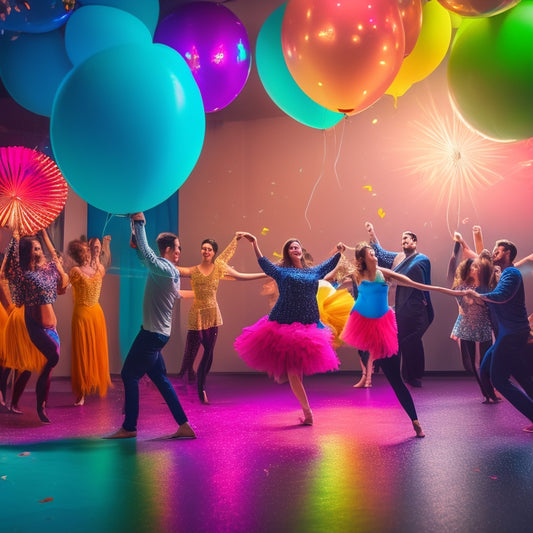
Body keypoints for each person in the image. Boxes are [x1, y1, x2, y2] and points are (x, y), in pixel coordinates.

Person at [340, 242, 463, 438]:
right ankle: (368, 373)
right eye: (371, 253)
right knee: (371, 359)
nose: (376, 255)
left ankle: (415, 421)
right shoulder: (356, 275)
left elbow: (415, 284)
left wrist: (451, 292)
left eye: (374, 252)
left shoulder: (384, 273)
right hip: (363, 325)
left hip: (383, 329)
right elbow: (335, 280)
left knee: (395, 379)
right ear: (363, 258)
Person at [234, 233, 343, 426]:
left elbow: (328, 265)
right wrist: (255, 244)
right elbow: (264, 264)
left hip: (308, 323)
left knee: (296, 371)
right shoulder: (281, 271)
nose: (295, 249)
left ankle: (301, 404)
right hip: (284, 323)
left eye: (297, 246)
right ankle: (308, 412)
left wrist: (339, 252)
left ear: (302, 251)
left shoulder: (313, 272)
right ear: (287, 252)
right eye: (291, 247)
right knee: (293, 371)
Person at [105, 212, 195, 440]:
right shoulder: (167, 270)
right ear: (169, 249)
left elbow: (146, 255)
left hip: (153, 335)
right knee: (160, 379)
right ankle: (184, 425)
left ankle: (129, 427)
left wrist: (140, 221)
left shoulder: (164, 269)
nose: (179, 252)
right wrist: (134, 231)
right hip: (156, 334)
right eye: (177, 247)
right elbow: (144, 254)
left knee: (129, 375)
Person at [176, 236, 266, 404]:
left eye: (209, 249)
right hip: (197, 314)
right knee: (190, 352)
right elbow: (176, 270)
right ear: (201, 251)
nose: (206, 251)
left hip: (212, 315)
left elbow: (240, 276)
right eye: (204, 248)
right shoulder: (193, 270)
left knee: (208, 353)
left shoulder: (218, 268)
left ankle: (201, 387)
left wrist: (264, 273)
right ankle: (186, 381)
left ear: (214, 252)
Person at [467, 240, 533, 433]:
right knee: (500, 371)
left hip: (512, 334)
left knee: (499, 379)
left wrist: (478, 295)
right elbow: (495, 295)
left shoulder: (511, 273)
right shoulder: (504, 274)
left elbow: (501, 296)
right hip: (510, 333)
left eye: (498, 250)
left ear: (508, 253)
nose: (495, 252)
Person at [5, 227, 69, 423]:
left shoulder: (49, 269)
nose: (39, 251)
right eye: (35, 249)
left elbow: (58, 263)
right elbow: (11, 265)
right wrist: (15, 238)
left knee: (49, 366)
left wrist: (44, 236)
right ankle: (30, 404)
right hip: (34, 325)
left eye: (40, 248)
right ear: (27, 253)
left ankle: (41, 406)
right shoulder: (23, 274)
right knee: (53, 356)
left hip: (52, 328)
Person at [365, 222, 433, 387]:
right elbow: (380, 253)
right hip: (399, 307)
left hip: (415, 308)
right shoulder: (397, 257)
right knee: (398, 340)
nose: (403, 241)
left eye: (407, 239)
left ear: (414, 242)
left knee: (411, 340)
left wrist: (388, 273)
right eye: (402, 239)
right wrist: (372, 233)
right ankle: (402, 376)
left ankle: (414, 376)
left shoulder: (422, 259)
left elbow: (409, 275)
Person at [67, 238, 112, 406]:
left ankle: (92, 383)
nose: (88, 251)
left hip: (96, 314)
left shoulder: (99, 268)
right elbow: (64, 287)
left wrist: (104, 246)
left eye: (88, 249)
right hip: (82, 314)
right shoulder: (75, 271)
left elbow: (103, 261)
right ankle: (81, 392)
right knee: (82, 352)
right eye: (84, 249)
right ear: (78, 254)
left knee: (95, 350)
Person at [450, 254, 500, 403]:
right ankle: (486, 393)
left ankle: (491, 391)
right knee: (473, 362)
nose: (474, 268)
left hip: (484, 326)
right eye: (472, 266)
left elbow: (491, 304)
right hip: (467, 327)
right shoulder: (461, 287)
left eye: (477, 266)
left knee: (487, 360)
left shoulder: (486, 286)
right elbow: (463, 305)